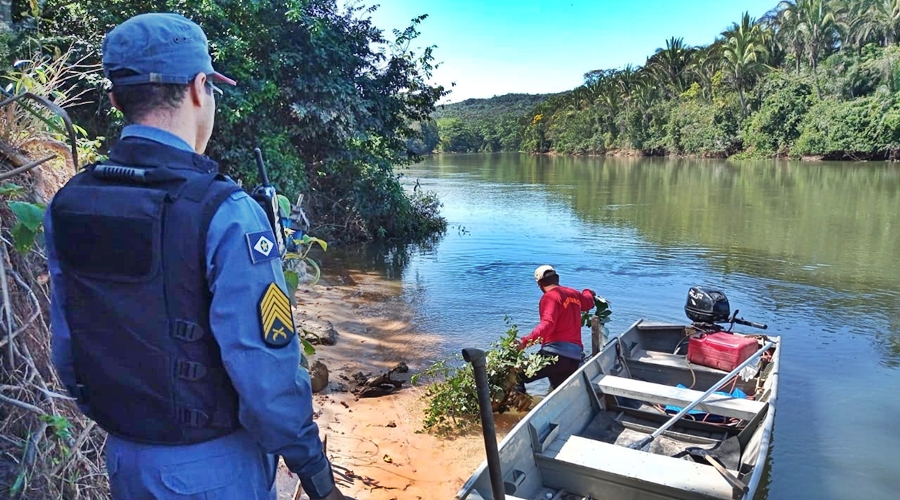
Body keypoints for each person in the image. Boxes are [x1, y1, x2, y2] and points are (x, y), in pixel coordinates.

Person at [44, 13, 348, 500]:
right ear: (198, 88)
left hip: (124, 456)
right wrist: (315, 472)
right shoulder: (227, 212)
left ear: (117, 98)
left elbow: (67, 342)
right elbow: (266, 376)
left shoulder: (69, 203)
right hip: (214, 468)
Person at [515, 265, 595, 393]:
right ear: (557, 278)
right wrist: (588, 292)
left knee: (516, 376)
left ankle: (520, 409)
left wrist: (524, 342)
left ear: (540, 284)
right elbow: (589, 302)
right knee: (559, 392)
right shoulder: (574, 294)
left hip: (554, 356)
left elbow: (547, 324)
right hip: (573, 358)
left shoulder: (550, 297)